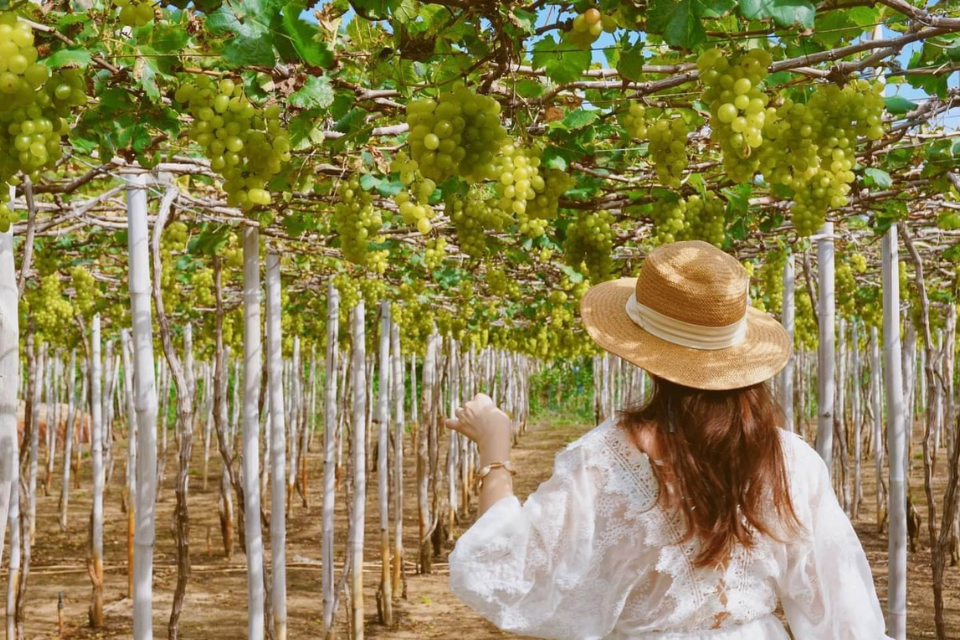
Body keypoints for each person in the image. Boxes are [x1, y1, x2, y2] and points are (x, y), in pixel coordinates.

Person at [445, 241, 893, 640]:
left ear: (645, 355)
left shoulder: (605, 461)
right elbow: (845, 613)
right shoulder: (790, 459)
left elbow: (507, 572)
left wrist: (495, 451)